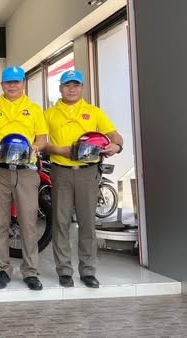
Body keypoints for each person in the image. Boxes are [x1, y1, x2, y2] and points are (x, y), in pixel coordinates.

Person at [44, 69, 123, 289]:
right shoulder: (48, 114)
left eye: (76, 85)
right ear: (60, 88)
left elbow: (115, 136)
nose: (72, 89)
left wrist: (116, 146)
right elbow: (40, 142)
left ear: (81, 88)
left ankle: (88, 271)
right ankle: (64, 270)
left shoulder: (94, 112)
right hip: (60, 171)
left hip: (88, 172)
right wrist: (59, 150)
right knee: (60, 222)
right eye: (67, 85)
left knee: (87, 222)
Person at [0, 65, 48, 291]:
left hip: (26, 171)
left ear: (23, 84)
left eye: (16, 82)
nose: (12, 86)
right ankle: (2, 269)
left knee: (28, 222)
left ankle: (31, 271)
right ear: (2, 85)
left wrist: (34, 148)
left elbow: (42, 138)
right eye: (8, 82)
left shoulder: (34, 109)